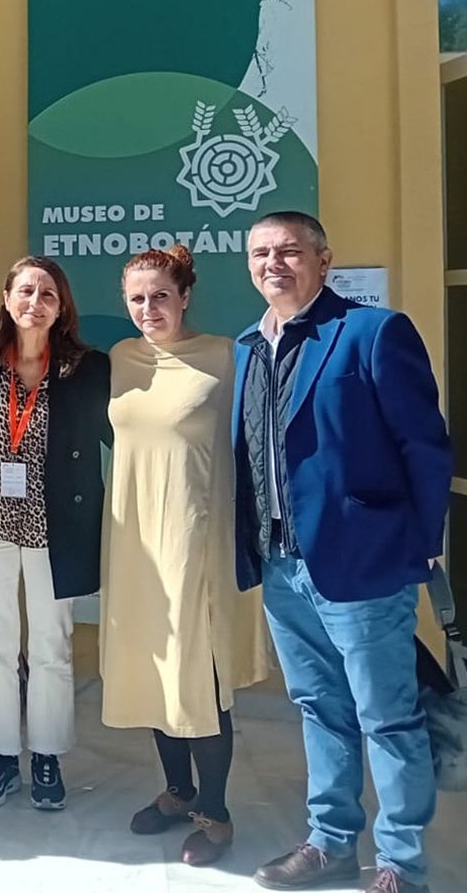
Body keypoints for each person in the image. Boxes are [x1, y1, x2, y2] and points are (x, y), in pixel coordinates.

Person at [233, 212, 448, 893]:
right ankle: (329, 841)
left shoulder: (371, 332)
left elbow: (424, 446)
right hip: (281, 564)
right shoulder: (245, 347)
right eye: (262, 253)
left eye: (290, 251)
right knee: (320, 708)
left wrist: (421, 545)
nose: (275, 263)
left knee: (387, 716)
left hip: (362, 562)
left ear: (324, 260)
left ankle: (400, 863)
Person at [101, 245, 270, 867]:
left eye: (161, 296)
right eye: (137, 299)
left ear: (185, 296)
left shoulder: (228, 357)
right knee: (153, 668)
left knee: (197, 677)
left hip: (197, 541)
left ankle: (216, 814)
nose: (149, 309)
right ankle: (176, 792)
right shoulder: (121, 359)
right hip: (133, 540)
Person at [0, 255, 109, 810]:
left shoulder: (87, 367)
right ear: (6, 298)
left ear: (61, 306)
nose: (35, 302)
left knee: (51, 646)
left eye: (48, 293)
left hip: (55, 526)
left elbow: (122, 435)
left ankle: (46, 754)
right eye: (25, 291)